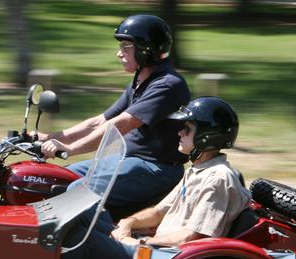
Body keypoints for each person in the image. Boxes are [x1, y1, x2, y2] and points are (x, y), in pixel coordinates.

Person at [61, 96, 252, 259]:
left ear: (206, 136)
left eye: (187, 129)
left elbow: (194, 237)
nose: (179, 133)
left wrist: (141, 243)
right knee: (83, 214)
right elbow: (159, 211)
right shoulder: (198, 170)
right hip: (153, 248)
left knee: (83, 239)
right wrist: (128, 223)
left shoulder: (218, 178)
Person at [38, 14, 190, 214]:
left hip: (156, 168)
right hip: (128, 160)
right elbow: (99, 121)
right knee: (60, 176)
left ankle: (98, 242)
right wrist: (48, 137)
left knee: (78, 192)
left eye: (126, 47)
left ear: (146, 49)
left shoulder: (167, 85)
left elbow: (121, 124)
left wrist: (70, 148)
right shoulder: (142, 79)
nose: (119, 54)